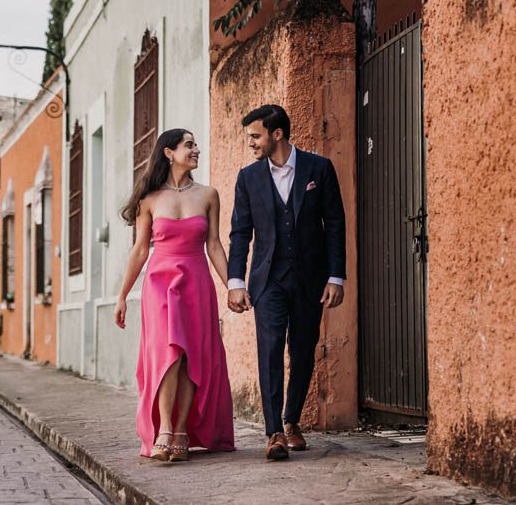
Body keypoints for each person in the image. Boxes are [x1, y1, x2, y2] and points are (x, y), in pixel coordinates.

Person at [227, 105, 347, 460]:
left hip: (311, 278)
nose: (250, 143)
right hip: (268, 281)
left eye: (255, 136)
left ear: (276, 134)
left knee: (303, 349)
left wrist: (335, 276)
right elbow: (239, 233)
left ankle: (292, 420)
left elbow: (335, 225)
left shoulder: (318, 168)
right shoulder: (247, 178)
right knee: (270, 349)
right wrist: (236, 280)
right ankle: (274, 432)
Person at [115, 128, 235, 462]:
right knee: (169, 355)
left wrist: (233, 287)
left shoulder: (209, 194)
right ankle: (164, 428)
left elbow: (214, 244)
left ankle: (182, 430)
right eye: (189, 145)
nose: (197, 150)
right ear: (169, 152)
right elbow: (140, 250)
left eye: (196, 145)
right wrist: (122, 295)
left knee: (193, 357)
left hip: (196, 281)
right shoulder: (149, 200)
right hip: (158, 283)